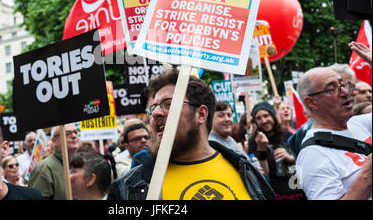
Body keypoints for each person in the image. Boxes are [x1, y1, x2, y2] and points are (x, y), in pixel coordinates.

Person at [108, 68, 275, 200]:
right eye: (153, 108)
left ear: (201, 115)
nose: (156, 113)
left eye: (168, 104)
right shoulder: (128, 188)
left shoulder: (246, 171)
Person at [296, 67, 372, 200]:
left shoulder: (358, 123)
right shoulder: (313, 155)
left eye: (343, 84)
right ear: (311, 102)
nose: (345, 92)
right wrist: (367, 176)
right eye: (332, 89)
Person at [248, 101, 305, 200]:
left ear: (273, 116)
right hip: (275, 193)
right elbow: (264, 176)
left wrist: (290, 157)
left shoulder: (288, 135)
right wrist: (262, 150)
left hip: (298, 190)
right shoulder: (254, 141)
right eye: (259, 118)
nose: (264, 120)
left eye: (266, 116)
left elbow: (304, 162)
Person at [28, 123, 80, 200]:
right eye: (67, 133)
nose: (74, 136)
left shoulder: (81, 163)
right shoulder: (45, 168)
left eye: (76, 132)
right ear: (54, 141)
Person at [209, 101, 262, 172]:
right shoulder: (211, 144)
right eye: (221, 116)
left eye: (229, 115)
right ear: (210, 119)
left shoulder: (230, 139)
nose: (227, 119)